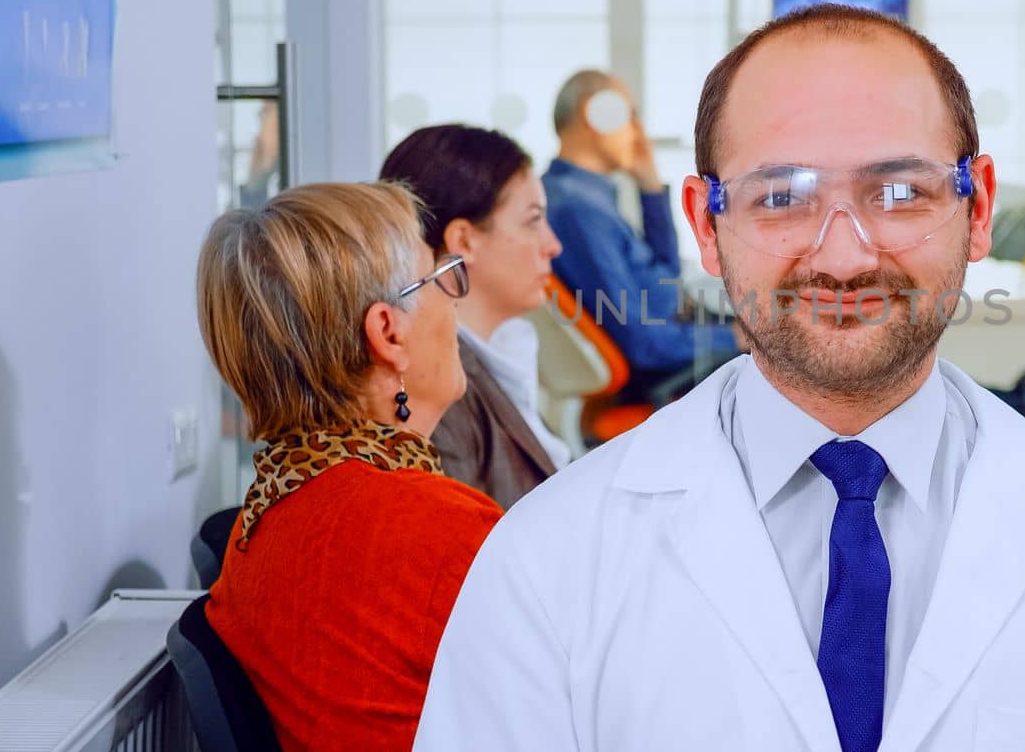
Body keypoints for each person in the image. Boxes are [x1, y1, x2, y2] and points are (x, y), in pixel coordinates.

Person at [415, 6, 1025, 751]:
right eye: (782, 197)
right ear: (707, 224)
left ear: (978, 209)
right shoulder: (546, 561)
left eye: (899, 191)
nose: (844, 257)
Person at [198, 182, 501, 751]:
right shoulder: (433, 530)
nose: (456, 299)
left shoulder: (262, 517)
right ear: (390, 333)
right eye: (440, 277)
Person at [380, 124, 570, 508]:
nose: (553, 245)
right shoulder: (437, 394)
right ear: (464, 241)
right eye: (533, 221)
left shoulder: (499, 359)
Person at [541, 69, 740, 404]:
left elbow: (667, 274)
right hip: (661, 364)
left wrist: (649, 186)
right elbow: (642, 342)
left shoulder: (586, 195)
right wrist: (734, 338)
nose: (639, 130)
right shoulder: (577, 209)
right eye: (630, 114)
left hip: (672, 329)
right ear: (596, 113)